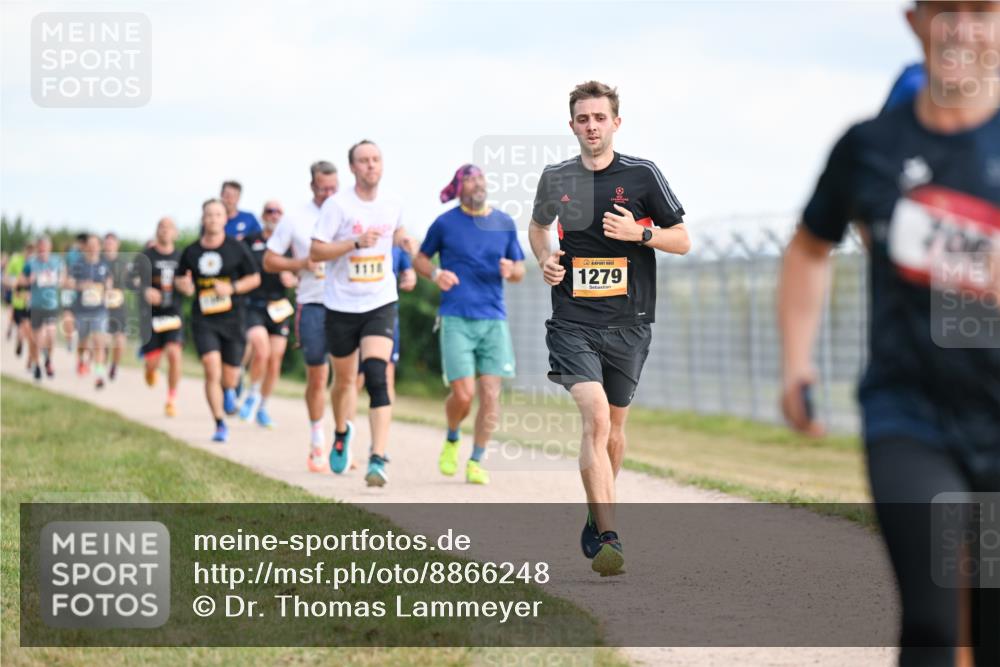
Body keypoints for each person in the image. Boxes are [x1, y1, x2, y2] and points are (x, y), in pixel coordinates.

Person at [779, 3, 999, 665]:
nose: (961, 28)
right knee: (933, 620)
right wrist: (796, 364)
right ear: (914, 23)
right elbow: (809, 247)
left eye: (981, 11)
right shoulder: (870, 147)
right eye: (945, 11)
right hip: (911, 416)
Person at [528, 81, 689, 576]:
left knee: (614, 429)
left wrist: (640, 233)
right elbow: (538, 227)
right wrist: (545, 259)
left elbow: (682, 240)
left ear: (615, 122)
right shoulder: (556, 177)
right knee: (596, 417)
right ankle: (611, 539)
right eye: (583, 118)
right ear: (572, 124)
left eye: (600, 117)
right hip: (573, 320)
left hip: (630, 322)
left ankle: (598, 518)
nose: (592, 126)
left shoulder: (642, 175)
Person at [310, 139, 417, 486]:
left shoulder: (393, 202)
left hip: (380, 301)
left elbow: (397, 228)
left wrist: (404, 240)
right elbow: (317, 250)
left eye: (376, 159)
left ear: (382, 165)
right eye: (364, 161)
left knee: (376, 374)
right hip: (341, 304)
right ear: (353, 168)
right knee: (343, 381)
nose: (371, 165)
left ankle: (377, 457)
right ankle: (341, 432)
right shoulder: (337, 206)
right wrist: (354, 243)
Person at [413, 164, 525, 486]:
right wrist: (435, 274)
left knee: (490, 394)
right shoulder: (445, 223)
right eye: (470, 179)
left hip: (493, 318)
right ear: (459, 188)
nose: (478, 184)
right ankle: (452, 438)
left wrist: (511, 270)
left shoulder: (503, 222)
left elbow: (519, 270)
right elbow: (421, 258)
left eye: (481, 179)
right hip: (456, 316)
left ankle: (476, 460)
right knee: (463, 395)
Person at [265, 160, 339, 472]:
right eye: (322, 188)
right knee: (318, 375)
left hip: (349, 305)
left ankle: (342, 439)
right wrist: (301, 265)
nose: (328, 193)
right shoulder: (295, 219)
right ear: (311, 186)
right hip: (312, 303)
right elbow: (270, 260)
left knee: (350, 378)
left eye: (333, 188)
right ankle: (317, 440)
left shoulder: (349, 212)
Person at [175, 198, 261, 442]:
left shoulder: (236, 248)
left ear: (225, 219)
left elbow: (254, 278)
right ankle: (220, 423)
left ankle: (231, 388)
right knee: (211, 368)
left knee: (229, 376)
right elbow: (184, 282)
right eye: (209, 215)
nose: (213, 219)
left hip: (233, 318)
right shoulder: (191, 252)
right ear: (203, 219)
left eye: (217, 214)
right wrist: (186, 287)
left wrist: (232, 288)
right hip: (205, 320)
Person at [238, 201, 297, 428]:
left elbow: (300, 273)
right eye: (269, 211)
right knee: (260, 350)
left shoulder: (290, 244)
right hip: (253, 304)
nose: (273, 215)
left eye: (278, 212)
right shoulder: (250, 241)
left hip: (279, 306)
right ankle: (251, 394)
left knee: (275, 359)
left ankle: (263, 406)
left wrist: (292, 279)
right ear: (263, 215)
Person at [354, 245, 416, 411]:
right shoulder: (354, 233)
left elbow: (408, 272)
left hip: (384, 312)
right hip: (351, 309)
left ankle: (382, 434)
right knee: (354, 376)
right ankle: (344, 430)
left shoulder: (396, 243)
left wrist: (409, 277)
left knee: (385, 373)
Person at [139, 217, 184, 416]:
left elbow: (190, 282)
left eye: (169, 227)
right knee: (153, 363)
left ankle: (171, 399)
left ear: (176, 233)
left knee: (174, 354)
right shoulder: (146, 255)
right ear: (156, 231)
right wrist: (145, 290)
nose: (164, 231)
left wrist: (188, 286)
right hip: (151, 316)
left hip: (173, 314)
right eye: (161, 227)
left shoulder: (182, 257)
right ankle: (150, 370)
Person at [67, 235, 114, 389]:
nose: (93, 248)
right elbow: (68, 282)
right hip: (81, 310)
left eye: (96, 245)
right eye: (90, 245)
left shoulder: (104, 265)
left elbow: (109, 282)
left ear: (99, 247)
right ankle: (81, 359)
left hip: (100, 310)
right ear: (86, 247)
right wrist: (81, 285)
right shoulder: (78, 264)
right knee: (83, 342)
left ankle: (99, 376)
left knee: (99, 342)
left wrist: (107, 288)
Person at [20, 236, 64, 380]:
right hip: (36, 305)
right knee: (37, 338)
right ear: (38, 248)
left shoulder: (57, 261)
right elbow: (20, 280)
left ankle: (48, 360)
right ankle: (37, 365)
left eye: (45, 247)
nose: (42, 250)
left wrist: (58, 280)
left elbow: (64, 278)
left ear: (50, 248)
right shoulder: (31, 263)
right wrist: (28, 280)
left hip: (51, 305)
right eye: (40, 247)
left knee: (51, 335)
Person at [102, 232, 130, 380]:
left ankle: (114, 366)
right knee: (105, 341)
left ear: (117, 245)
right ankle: (102, 364)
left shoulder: (123, 262)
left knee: (119, 341)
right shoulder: (98, 261)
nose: (109, 246)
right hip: (102, 307)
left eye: (112, 243)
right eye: (107, 243)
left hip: (119, 307)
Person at [4, 243, 32, 360]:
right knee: (19, 321)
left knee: (27, 326)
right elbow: (7, 277)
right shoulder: (16, 260)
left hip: (30, 299)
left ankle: (20, 338)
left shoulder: (35, 264)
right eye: (29, 251)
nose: (30, 254)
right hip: (17, 296)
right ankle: (13, 330)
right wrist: (13, 284)